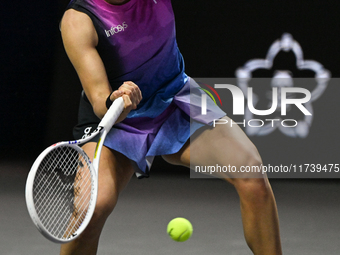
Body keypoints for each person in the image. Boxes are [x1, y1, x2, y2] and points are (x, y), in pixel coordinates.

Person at [60, 0, 282, 254]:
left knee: (251, 174)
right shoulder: (79, 19)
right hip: (118, 119)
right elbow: (100, 100)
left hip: (176, 97)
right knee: (93, 208)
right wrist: (118, 101)